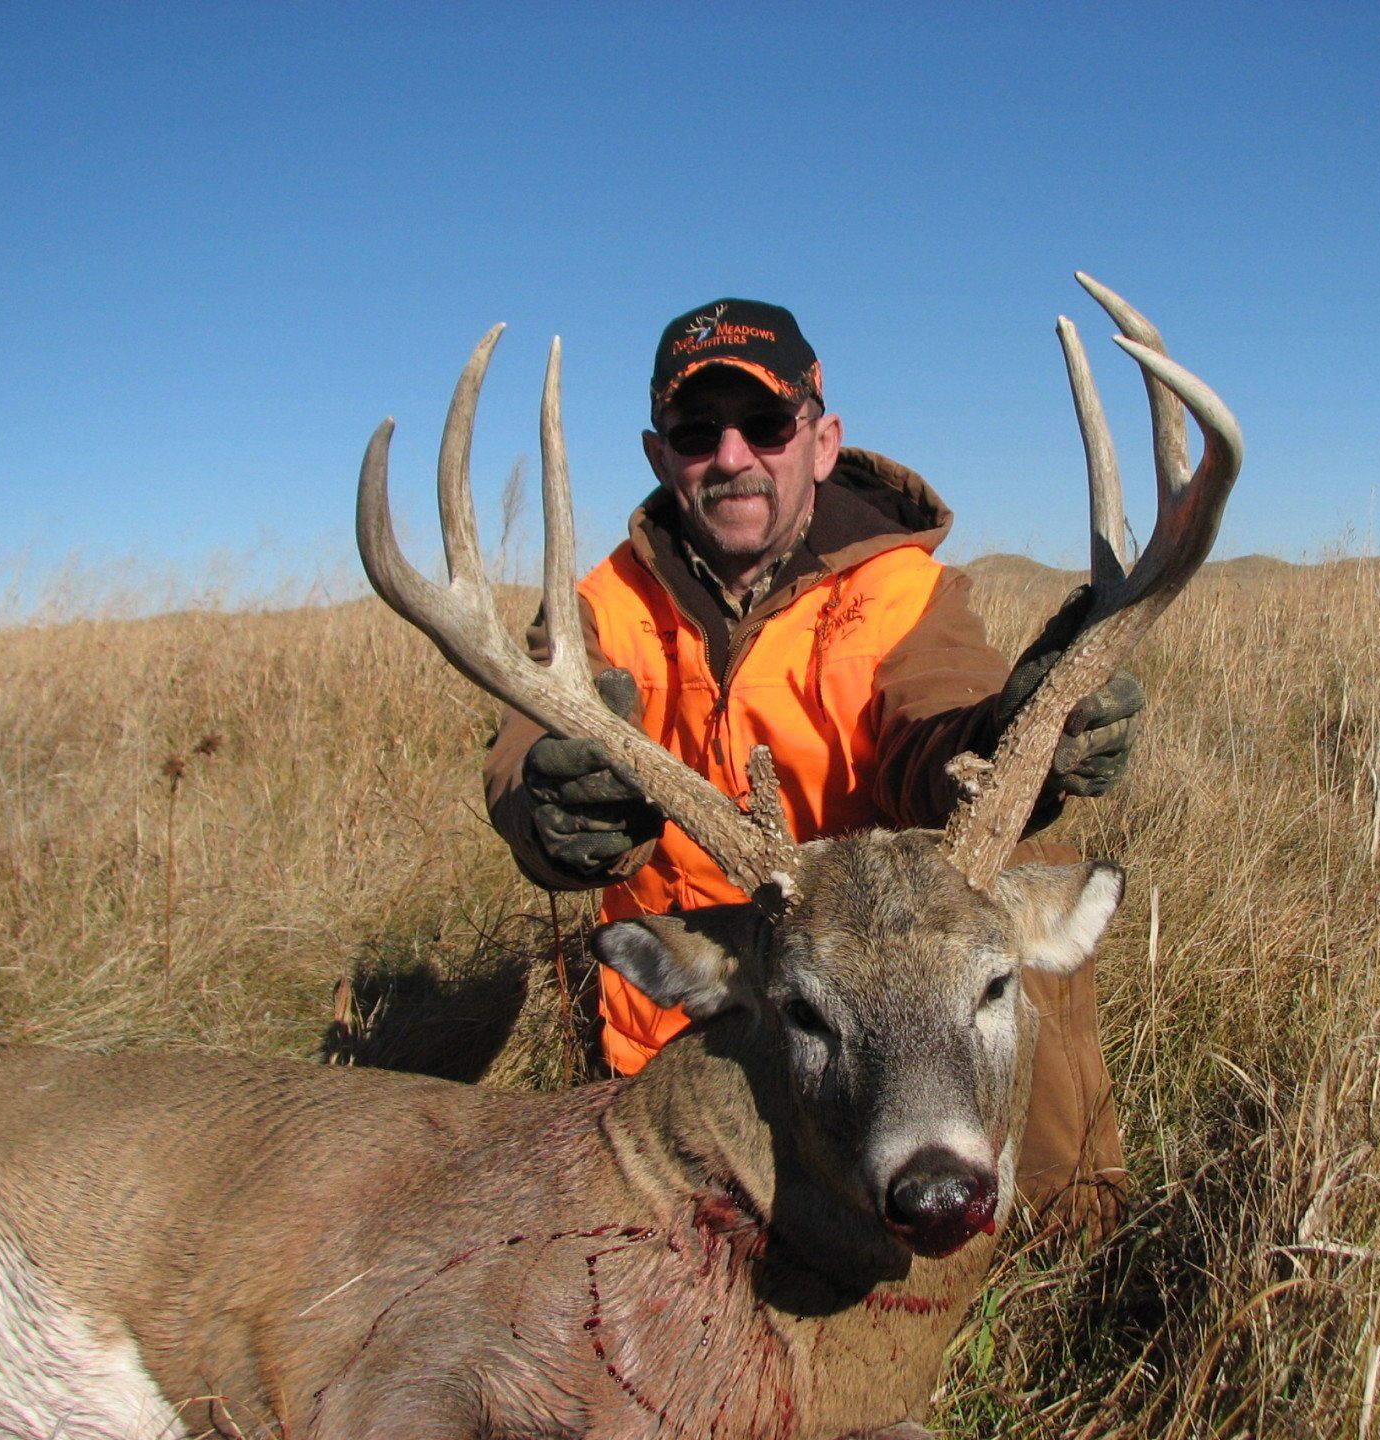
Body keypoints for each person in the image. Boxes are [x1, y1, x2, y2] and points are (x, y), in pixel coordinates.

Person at [484, 298, 1138, 1230]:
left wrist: (1005, 737)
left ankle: (1068, 1242)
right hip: (695, 1005)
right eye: (697, 431)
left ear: (822, 441)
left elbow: (937, 720)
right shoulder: (597, 609)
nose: (734, 455)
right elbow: (520, 750)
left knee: (1005, 959)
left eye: (766, 424)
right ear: (660, 454)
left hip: (886, 991)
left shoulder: (899, 590)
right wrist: (555, 805)